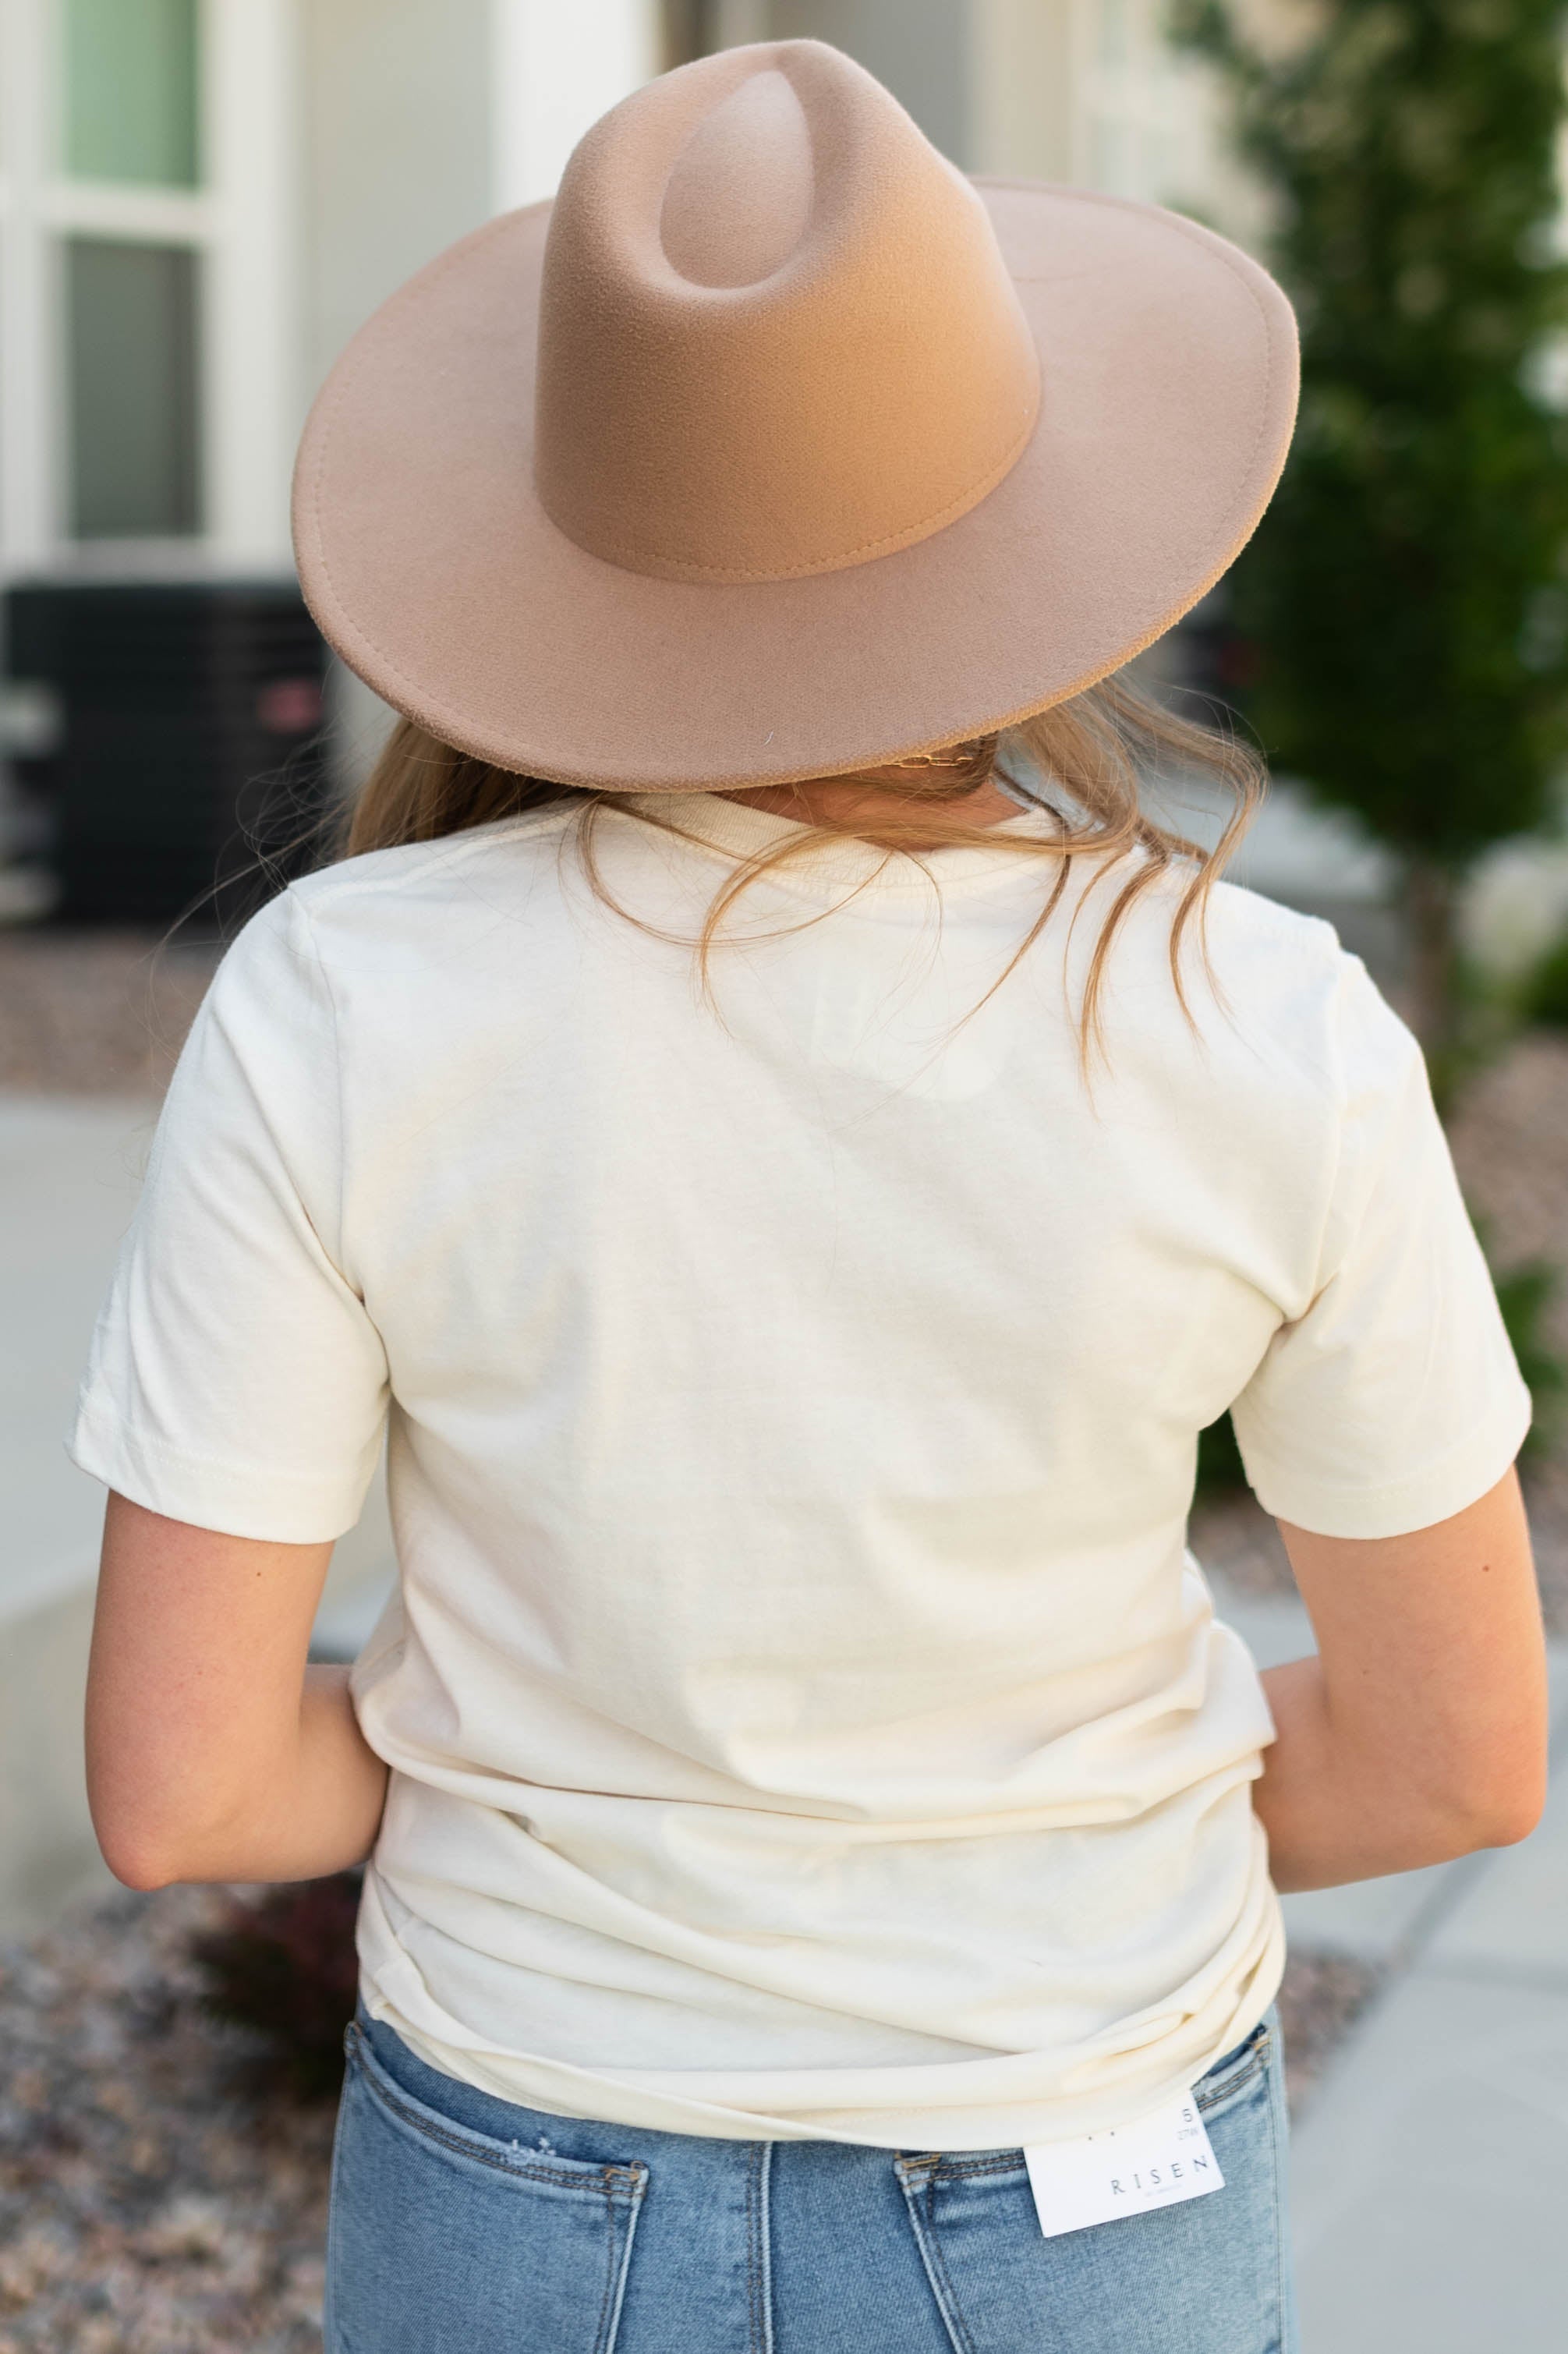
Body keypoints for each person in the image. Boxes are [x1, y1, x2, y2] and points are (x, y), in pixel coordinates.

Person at [73, 40, 1547, 2354]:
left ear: (560, 529)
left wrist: (553, 1758)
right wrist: (1016, 1812)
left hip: (522, 2177)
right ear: (1034, 511)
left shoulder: (342, 994)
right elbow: (1456, 1747)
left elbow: (178, 1784)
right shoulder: (1255, 1014)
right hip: (1093, 2183)